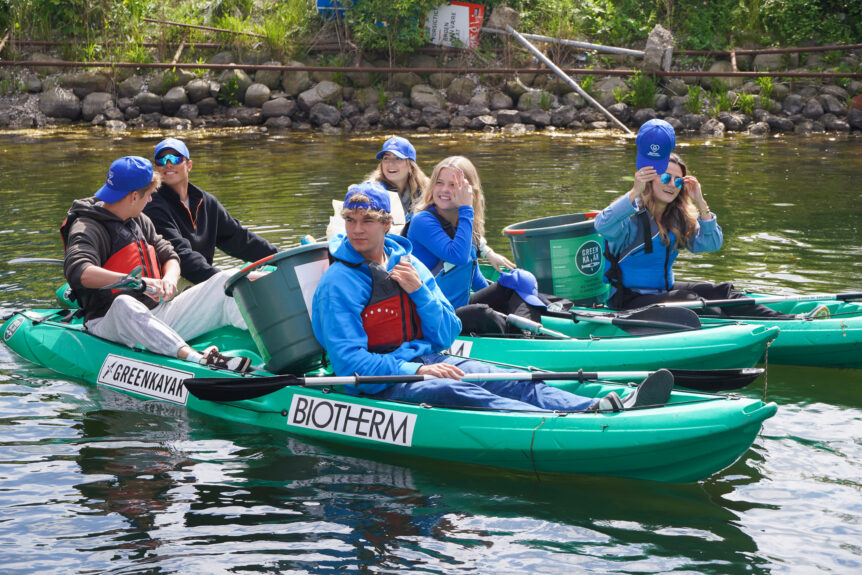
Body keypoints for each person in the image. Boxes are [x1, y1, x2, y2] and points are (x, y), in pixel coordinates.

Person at [311, 181, 672, 412]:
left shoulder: (410, 265)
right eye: (351, 220)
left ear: (387, 224)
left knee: (510, 379)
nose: (357, 229)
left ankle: (598, 406)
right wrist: (417, 369)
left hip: (431, 358)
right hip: (381, 384)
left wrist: (420, 294)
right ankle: (569, 422)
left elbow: (447, 334)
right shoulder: (338, 284)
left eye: (367, 220)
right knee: (459, 393)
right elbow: (348, 366)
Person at [596, 119, 810, 319]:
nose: (672, 185)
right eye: (665, 178)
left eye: (678, 181)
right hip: (628, 300)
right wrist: (635, 191)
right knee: (694, 303)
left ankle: (789, 322)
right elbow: (601, 224)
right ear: (651, 179)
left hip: (664, 291)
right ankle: (729, 326)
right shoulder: (630, 215)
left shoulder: (676, 218)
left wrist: (700, 201)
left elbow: (711, 244)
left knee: (721, 291)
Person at [62, 156, 252, 372]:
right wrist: (138, 283)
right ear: (134, 196)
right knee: (125, 304)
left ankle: (274, 348)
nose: (151, 201)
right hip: (110, 322)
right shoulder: (87, 227)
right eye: (149, 195)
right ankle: (197, 359)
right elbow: (80, 271)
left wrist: (169, 280)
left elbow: (170, 255)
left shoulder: (140, 220)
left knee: (226, 280)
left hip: (157, 314)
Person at [407, 156, 546, 334]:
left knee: (520, 280)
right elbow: (457, 256)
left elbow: (472, 277)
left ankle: (530, 334)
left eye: (453, 185)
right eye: (439, 183)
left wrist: (504, 292)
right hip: (435, 314)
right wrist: (466, 208)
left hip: (460, 306)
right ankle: (517, 337)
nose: (444, 190)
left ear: (468, 190)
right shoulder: (423, 220)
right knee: (481, 314)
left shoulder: (465, 223)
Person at [366, 137, 515, 272]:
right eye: (386, 158)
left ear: (410, 164)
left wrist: (487, 252)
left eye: (398, 158)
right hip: (387, 257)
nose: (391, 164)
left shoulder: (429, 188)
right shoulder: (372, 192)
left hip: (428, 247)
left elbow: (454, 225)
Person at [143, 137, 278, 284]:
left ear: (189, 165)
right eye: (161, 161)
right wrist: (224, 281)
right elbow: (180, 254)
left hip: (206, 281)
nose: (168, 164)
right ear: (156, 168)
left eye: (175, 159)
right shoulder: (152, 205)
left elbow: (239, 238)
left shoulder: (206, 201)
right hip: (173, 287)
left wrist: (279, 257)